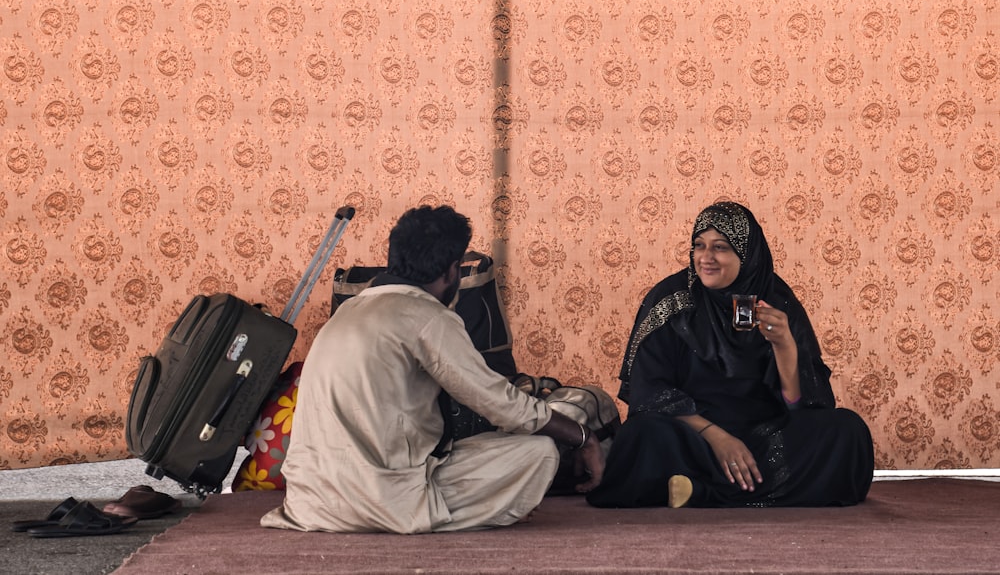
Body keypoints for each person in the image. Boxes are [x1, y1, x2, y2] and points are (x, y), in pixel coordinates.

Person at [262, 205, 604, 533]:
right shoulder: (427, 316)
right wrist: (583, 437)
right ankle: (438, 516)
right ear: (452, 271)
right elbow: (502, 404)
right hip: (381, 500)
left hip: (310, 502)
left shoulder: (346, 313)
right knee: (537, 452)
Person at [586, 201, 874, 509]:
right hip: (692, 433)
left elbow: (800, 405)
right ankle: (742, 489)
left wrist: (785, 346)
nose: (706, 258)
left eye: (720, 247)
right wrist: (717, 437)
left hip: (765, 433)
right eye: (699, 246)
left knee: (847, 431)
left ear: (747, 254)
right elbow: (650, 391)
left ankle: (699, 492)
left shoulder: (776, 300)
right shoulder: (670, 301)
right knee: (640, 436)